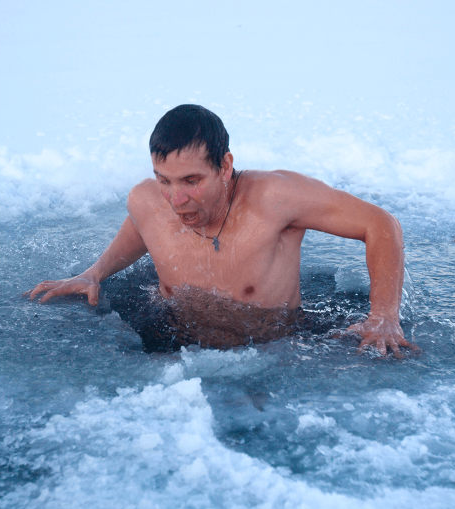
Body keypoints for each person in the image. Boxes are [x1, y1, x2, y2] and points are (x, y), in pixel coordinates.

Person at [27, 104, 416, 356]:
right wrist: (94, 272)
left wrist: (383, 315)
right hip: (177, 349)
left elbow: (380, 223)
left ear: (225, 166)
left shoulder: (275, 197)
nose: (175, 199)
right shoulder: (148, 200)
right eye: (164, 180)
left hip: (276, 350)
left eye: (191, 181)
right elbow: (141, 228)